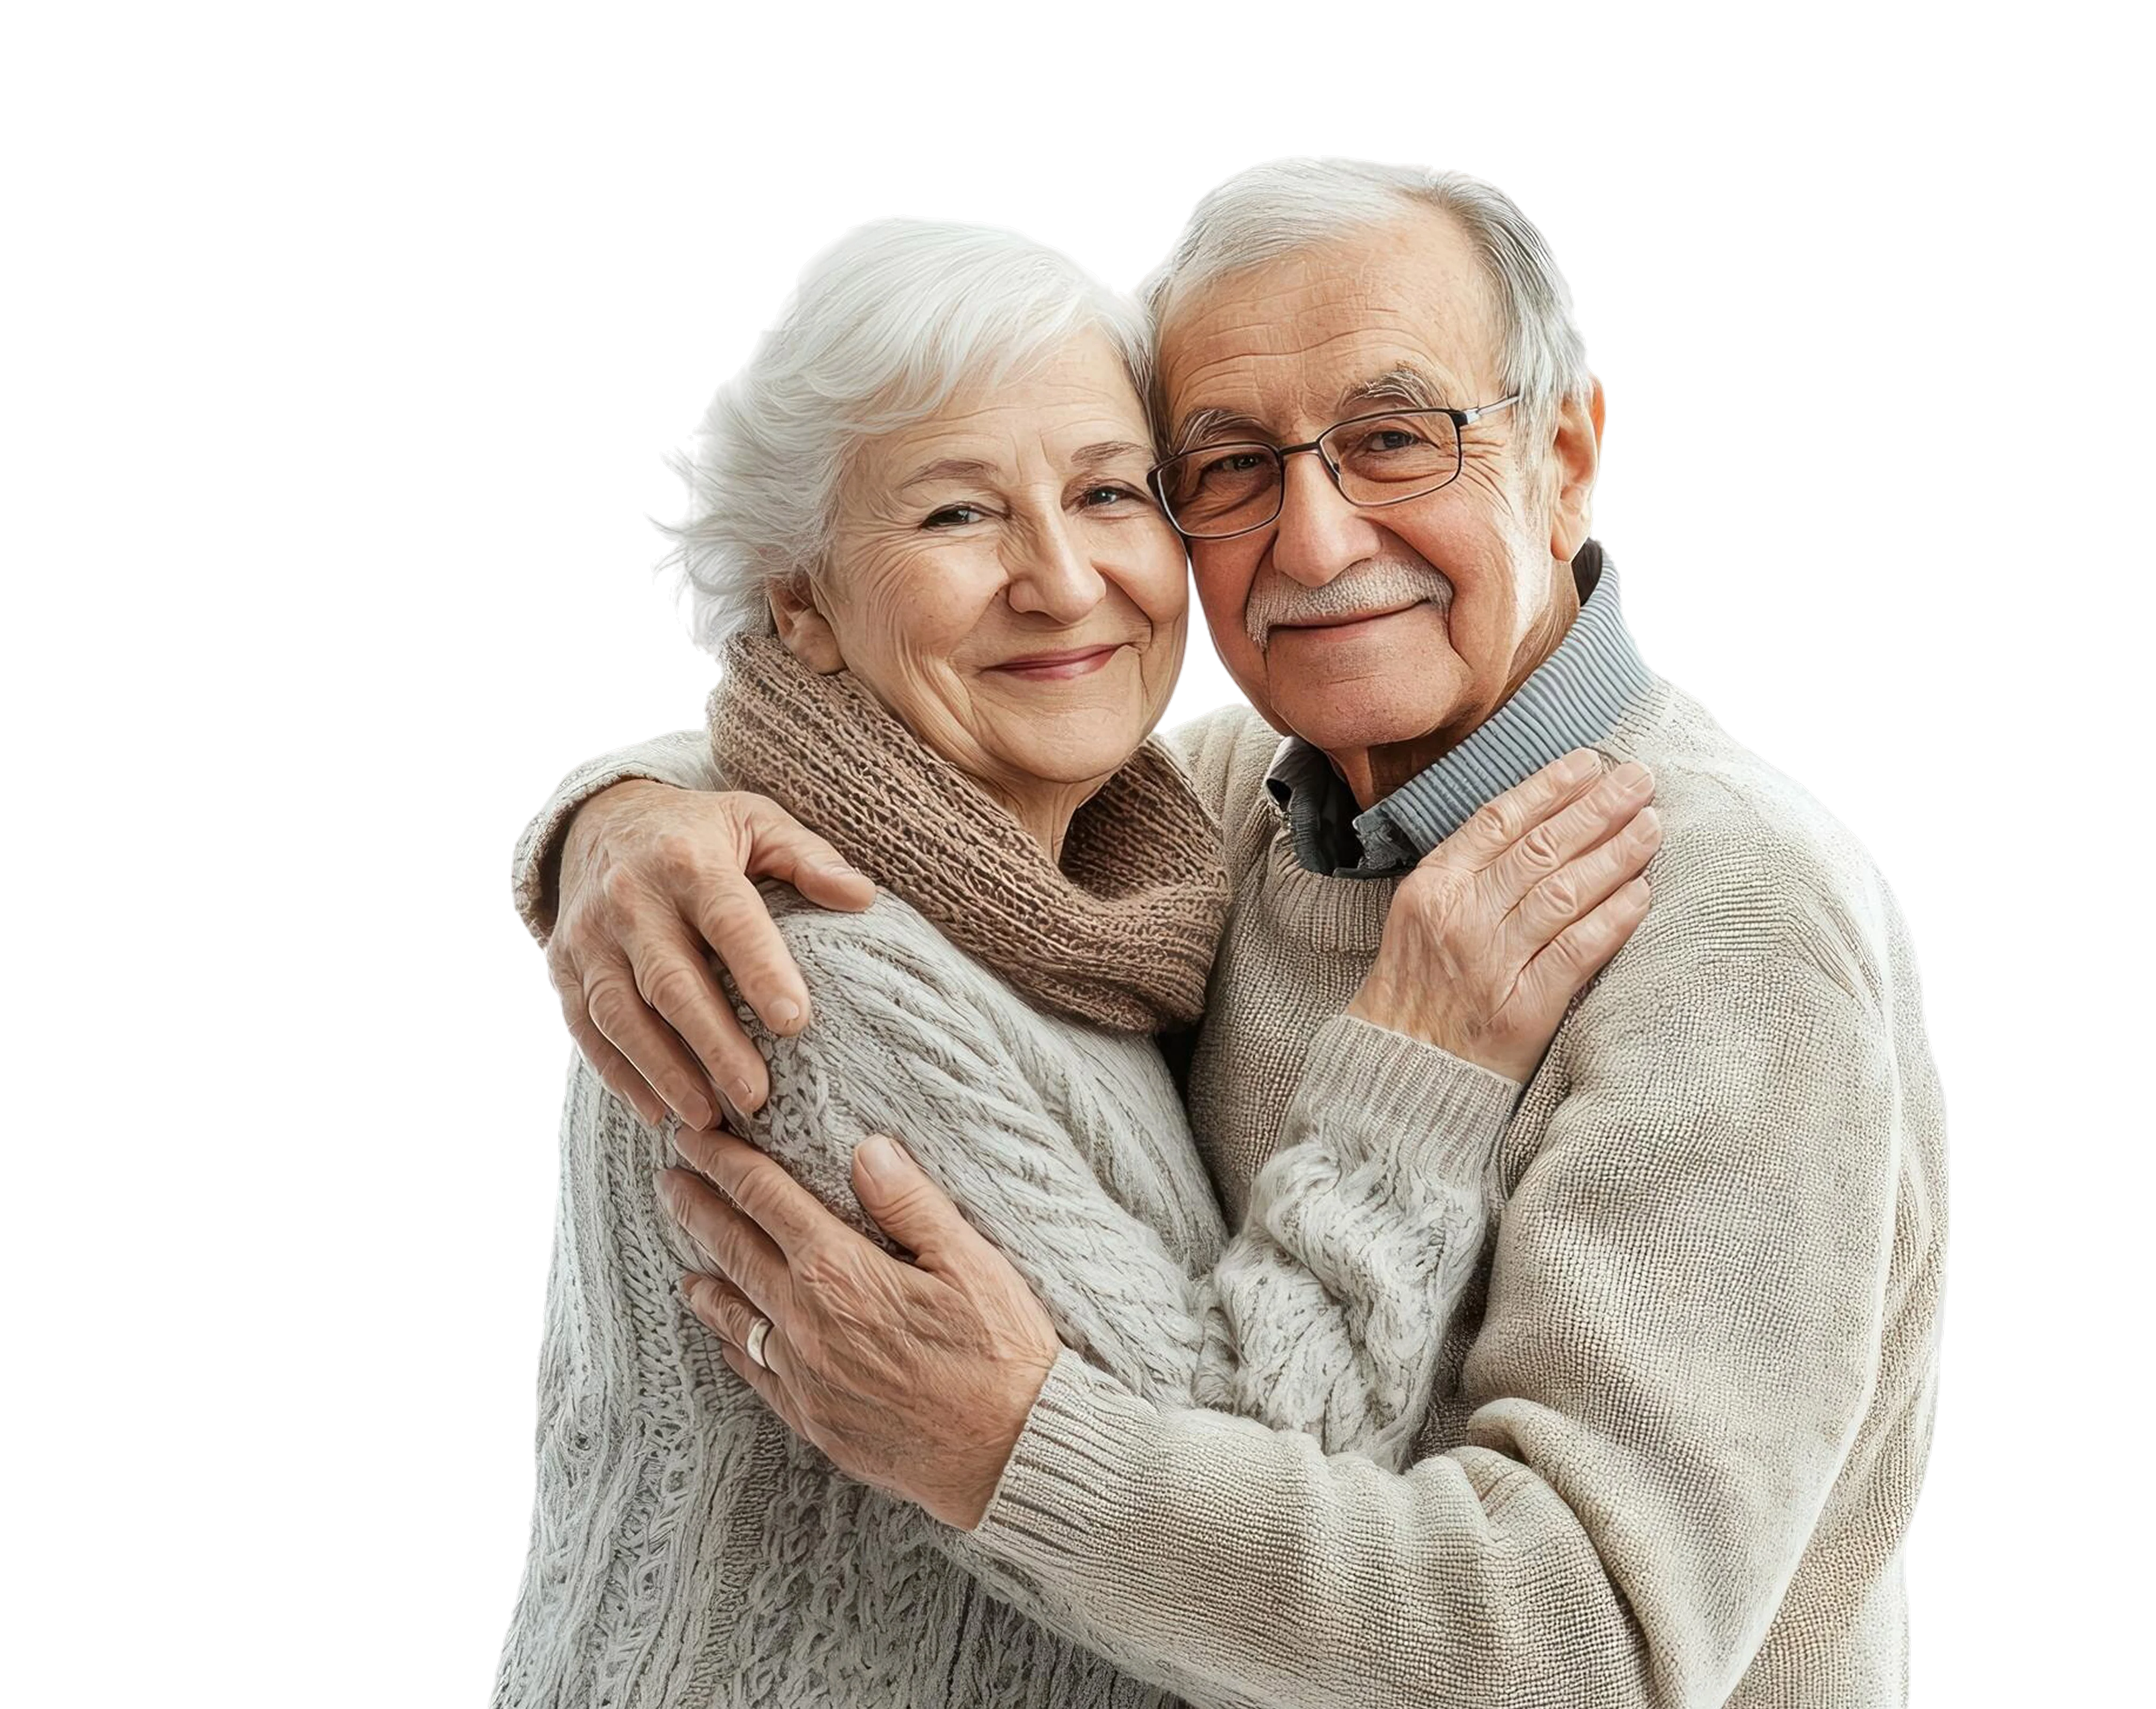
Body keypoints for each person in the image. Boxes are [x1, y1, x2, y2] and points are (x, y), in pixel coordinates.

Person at [513, 159, 1949, 1706]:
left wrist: (1014, 1449)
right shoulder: (1216, 809)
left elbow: (1592, 1646)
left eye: (1395, 441)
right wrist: (623, 819)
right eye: (1228, 466)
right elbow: (903, 783)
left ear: (1563, 453)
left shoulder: (1722, 919)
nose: (1318, 545)